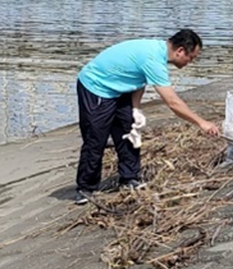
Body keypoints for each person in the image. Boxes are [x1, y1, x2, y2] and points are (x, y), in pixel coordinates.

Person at [74, 28, 220, 204]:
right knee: (96, 138)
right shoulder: (153, 59)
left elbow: (137, 79)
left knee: (130, 131)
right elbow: (173, 102)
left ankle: (129, 178)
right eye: (192, 57)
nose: (191, 62)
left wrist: (135, 109)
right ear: (180, 51)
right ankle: (86, 188)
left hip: (119, 88)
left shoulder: (157, 52)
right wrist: (202, 123)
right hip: (96, 86)